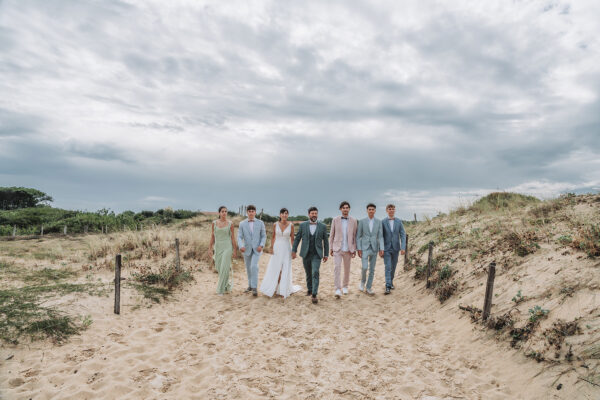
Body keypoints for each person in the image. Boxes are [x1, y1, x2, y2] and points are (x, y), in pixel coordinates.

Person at [259, 208, 302, 298]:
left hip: (286, 249)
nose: (284, 215)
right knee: (276, 268)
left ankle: (283, 289)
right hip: (277, 248)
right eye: (283, 213)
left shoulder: (291, 225)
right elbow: (273, 236)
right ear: (280, 215)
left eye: (286, 214)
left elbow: (292, 239)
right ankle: (275, 287)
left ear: (287, 215)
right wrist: (271, 247)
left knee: (285, 268)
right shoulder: (275, 224)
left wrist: (294, 251)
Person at [292, 206, 329, 304]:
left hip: (317, 254)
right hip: (306, 253)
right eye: (312, 213)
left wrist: (326, 254)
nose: (314, 215)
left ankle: (314, 294)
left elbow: (326, 241)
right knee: (308, 273)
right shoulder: (303, 225)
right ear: (309, 214)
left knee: (315, 272)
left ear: (317, 214)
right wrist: (294, 250)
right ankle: (309, 289)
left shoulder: (323, 226)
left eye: (315, 213)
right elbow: (297, 238)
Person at [329, 201, 357, 298]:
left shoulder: (354, 220)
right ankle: (337, 288)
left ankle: (345, 286)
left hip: (349, 249)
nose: (345, 209)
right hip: (337, 248)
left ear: (349, 209)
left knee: (347, 269)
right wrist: (331, 248)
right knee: (337, 268)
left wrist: (354, 249)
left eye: (347, 207)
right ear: (341, 209)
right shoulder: (335, 220)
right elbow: (331, 234)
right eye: (343, 207)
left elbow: (355, 236)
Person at [237, 205, 266, 296]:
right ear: (247, 212)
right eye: (249, 211)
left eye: (253, 211)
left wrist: (261, 245)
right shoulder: (242, 223)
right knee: (248, 268)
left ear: (255, 212)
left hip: (257, 249)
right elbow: (239, 236)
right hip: (246, 249)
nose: (251, 212)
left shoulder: (260, 223)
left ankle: (254, 288)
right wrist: (241, 246)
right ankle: (250, 285)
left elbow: (264, 236)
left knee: (254, 266)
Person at [356, 203, 384, 295]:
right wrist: (359, 249)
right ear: (367, 210)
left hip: (374, 248)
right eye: (369, 209)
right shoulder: (362, 221)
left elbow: (380, 237)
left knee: (372, 269)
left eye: (373, 209)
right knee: (364, 267)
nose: (371, 211)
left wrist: (381, 248)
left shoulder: (379, 222)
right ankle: (362, 282)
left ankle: (368, 287)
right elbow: (358, 236)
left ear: (375, 211)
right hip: (364, 247)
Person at [208, 206, 237, 295]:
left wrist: (235, 250)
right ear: (219, 213)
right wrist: (210, 248)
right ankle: (226, 285)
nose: (224, 213)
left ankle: (220, 290)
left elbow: (232, 238)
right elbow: (212, 236)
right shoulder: (214, 223)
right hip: (218, 247)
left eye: (226, 211)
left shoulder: (230, 224)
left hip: (227, 247)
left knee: (224, 267)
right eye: (222, 211)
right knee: (220, 268)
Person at [381, 204, 406, 295]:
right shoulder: (383, 222)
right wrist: (381, 248)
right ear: (386, 210)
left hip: (396, 248)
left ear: (394, 210)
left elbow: (403, 235)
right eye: (389, 209)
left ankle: (391, 281)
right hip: (386, 248)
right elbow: (380, 236)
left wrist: (403, 247)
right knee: (388, 267)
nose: (391, 210)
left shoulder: (399, 221)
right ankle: (387, 286)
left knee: (393, 267)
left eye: (392, 209)